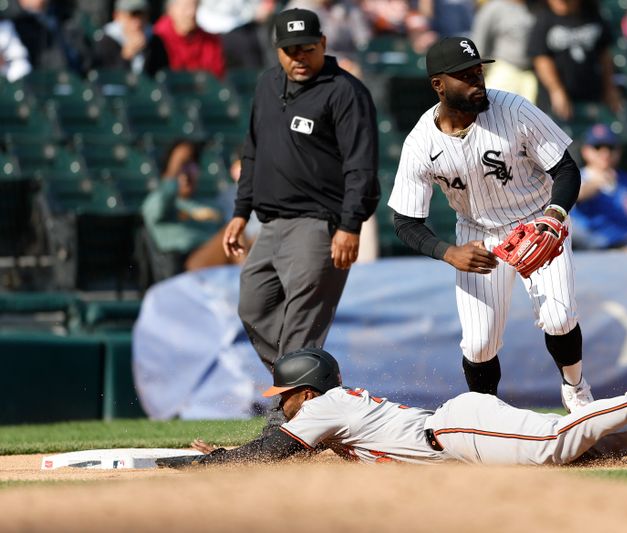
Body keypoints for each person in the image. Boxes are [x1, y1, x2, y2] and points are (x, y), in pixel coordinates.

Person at [387, 36, 592, 412]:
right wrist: (448, 252)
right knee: (479, 344)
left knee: (559, 316)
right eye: (465, 76)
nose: (476, 81)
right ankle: (485, 414)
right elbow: (404, 220)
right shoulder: (419, 143)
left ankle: (576, 389)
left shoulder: (512, 109)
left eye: (478, 72)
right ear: (439, 85)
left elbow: (565, 169)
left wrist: (554, 216)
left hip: (537, 219)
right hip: (478, 234)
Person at [156, 347, 627, 468]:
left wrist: (216, 463)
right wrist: (239, 452)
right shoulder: (328, 410)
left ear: (303, 391)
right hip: (459, 431)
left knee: (554, 448)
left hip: (455, 432)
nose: (279, 407)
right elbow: (287, 452)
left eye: (283, 396)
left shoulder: (320, 407)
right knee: (589, 453)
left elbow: (274, 450)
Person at [222, 9, 379, 395]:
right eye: (289, 50)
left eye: (306, 49)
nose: (298, 58)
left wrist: (349, 225)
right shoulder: (267, 84)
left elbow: (361, 167)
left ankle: (289, 418)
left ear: (323, 44)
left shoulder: (345, 91)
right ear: (277, 50)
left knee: (300, 327)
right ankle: (312, 391)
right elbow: (252, 154)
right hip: (271, 225)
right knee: (254, 307)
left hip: (318, 225)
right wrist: (241, 213)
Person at [141, 140, 226, 279]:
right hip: (183, 269)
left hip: (216, 269)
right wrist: (173, 172)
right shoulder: (161, 202)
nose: (185, 173)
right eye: (181, 164)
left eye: (190, 164)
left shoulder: (211, 205)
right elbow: (152, 211)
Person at [529, 0, 622, 121]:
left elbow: (604, 55)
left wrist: (610, 88)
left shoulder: (593, 15)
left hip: (592, 95)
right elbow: (541, 58)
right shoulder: (544, 17)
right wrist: (556, 90)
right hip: (555, 101)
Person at [571, 124, 627, 250]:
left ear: (618, 151)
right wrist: (594, 185)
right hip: (591, 248)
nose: (605, 153)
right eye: (597, 147)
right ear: (585, 151)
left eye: (610, 147)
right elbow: (572, 195)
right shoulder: (574, 177)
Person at [471, 0, 539, 103]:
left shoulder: (537, 6)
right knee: (498, 111)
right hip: (504, 70)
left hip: (532, 74)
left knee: (529, 116)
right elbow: (479, 43)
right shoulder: (494, 7)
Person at [92, 0, 169, 77]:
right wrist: (126, 56)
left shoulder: (155, 41)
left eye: (141, 15)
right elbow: (105, 78)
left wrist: (146, 52)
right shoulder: (105, 42)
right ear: (117, 16)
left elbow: (160, 74)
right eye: (131, 15)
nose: (138, 22)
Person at [153, 0, 226, 78]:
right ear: (171, 10)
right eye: (185, 7)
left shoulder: (210, 37)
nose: (191, 13)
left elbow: (217, 73)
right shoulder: (159, 38)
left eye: (195, 6)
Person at [0, 17, 31, 82]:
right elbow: (26, 69)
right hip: (42, 62)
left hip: (31, 29)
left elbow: (7, 25)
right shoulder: (10, 76)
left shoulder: (4, 32)